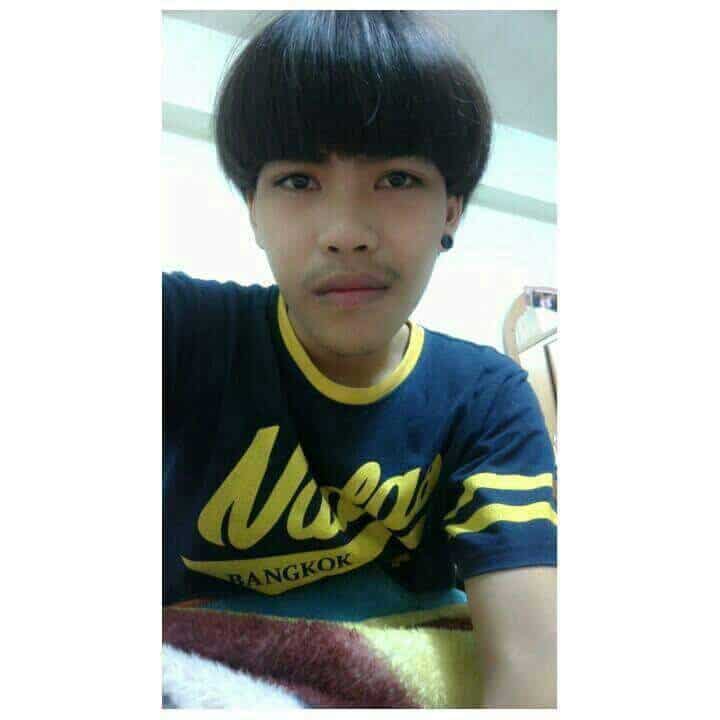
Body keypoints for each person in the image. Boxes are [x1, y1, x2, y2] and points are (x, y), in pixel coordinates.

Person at [163, 10, 557, 708]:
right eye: (297, 181)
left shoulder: (487, 399)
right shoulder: (182, 332)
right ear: (252, 209)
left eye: (397, 179)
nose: (345, 233)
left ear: (451, 211)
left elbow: (532, 665)